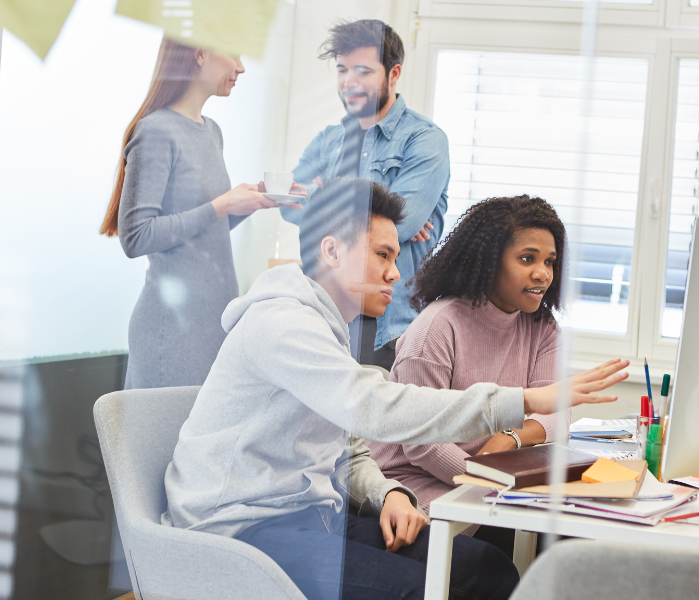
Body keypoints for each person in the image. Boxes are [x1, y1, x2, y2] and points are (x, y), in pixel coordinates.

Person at [162, 177, 629, 600]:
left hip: (313, 520)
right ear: (331, 251)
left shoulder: (328, 329)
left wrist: (389, 495)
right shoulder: (282, 324)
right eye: (382, 255)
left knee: (484, 569)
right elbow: (377, 409)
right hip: (242, 531)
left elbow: (347, 450)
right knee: (418, 591)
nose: (394, 273)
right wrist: (523, 402)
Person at [367, 195, 568, 551]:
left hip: (489, 480)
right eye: (527, 259)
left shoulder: (543, 327)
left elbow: (557, 412)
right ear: (490, 263)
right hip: (419, 484)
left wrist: (509, 439)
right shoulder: (436, 328)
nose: (544, 274)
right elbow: (422, 443)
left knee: (571, 539)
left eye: (550, 261)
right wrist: (486, 478)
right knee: (522, 553)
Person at [101, 38, 298, 389]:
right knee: (165, 443)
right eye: (233, 54)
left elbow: (204, 228)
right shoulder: (156, 131)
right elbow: (136, 237)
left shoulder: (212, 132)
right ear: (200, 53)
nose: (241, 67)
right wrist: (221, 205)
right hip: (172, 331)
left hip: (212, 324)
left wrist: (251, 203)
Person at [281, 19, 450, 371]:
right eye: (342, 70)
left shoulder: (424, 140)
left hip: (390, 326)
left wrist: (322, 195)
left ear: (394, 73)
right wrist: (380, 212)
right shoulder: (329, 139)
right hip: (325, 316)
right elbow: (288, 206)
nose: (349, 82)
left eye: (362, 71)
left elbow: (401, 223)